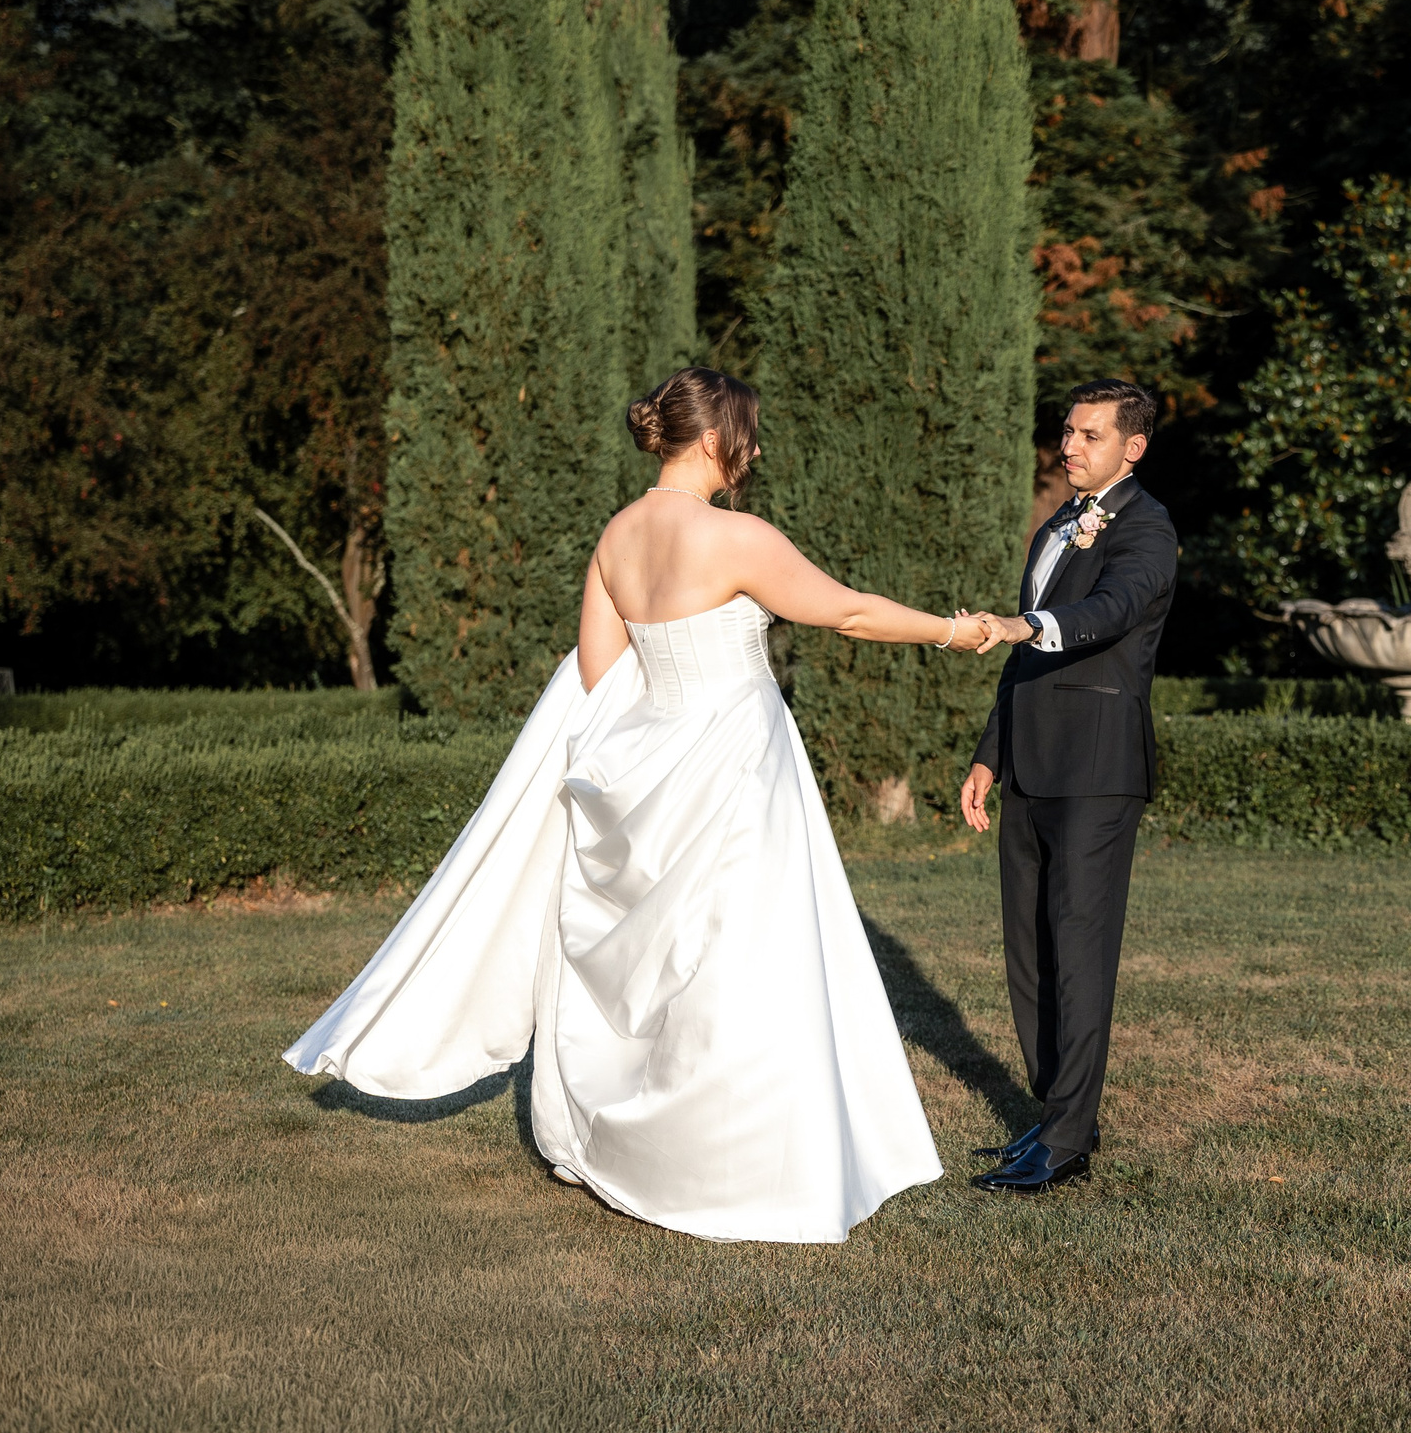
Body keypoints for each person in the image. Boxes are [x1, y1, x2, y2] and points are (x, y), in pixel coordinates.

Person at [287, 367, 997, 1243]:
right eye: (748, 432)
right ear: (711, 439)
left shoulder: (615, 537)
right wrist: (956, 629)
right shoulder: (736, 536)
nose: (757, 447)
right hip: (737, 764)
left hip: (648, 761)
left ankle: (635, 1141)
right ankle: (735, 1162)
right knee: (744, 958)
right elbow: (845, 612)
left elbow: (596, 672)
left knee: (660, 966)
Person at [960, 378, 1179, 1195]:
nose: (1070, 446)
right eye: (1068, 431)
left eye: (1090, 435)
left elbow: (1115, 609)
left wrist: (1028, 623)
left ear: (1134, 446)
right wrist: (990, 753)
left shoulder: (1149, 528)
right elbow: (1024, 660)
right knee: (1031, 951)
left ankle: (1070, 1137)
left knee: (1080, 953)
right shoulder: (1058, 522)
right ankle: (1050, 1114)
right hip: (1030, 763)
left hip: (1096, 772)